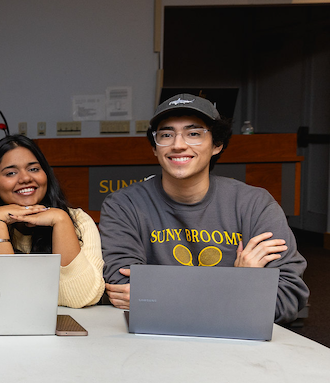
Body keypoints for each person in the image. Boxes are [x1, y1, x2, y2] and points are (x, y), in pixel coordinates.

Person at [101, 93, 309, 323]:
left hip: (238, 342)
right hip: (154, 340)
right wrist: (239, 284)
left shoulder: (255, 204)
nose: (178, 145)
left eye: (193, 134)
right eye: (166, 134)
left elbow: (288, 297)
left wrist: (156, 294)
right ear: (155, 147)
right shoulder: (124, 205)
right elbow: (123, 289)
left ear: (217, 145)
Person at [0, 135, 104, 308]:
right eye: (11, 173)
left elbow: (80, 298)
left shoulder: (78, 221)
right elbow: (0, 300)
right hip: (4, 332)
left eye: (34, 169)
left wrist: (61, 220)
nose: (25, 178)